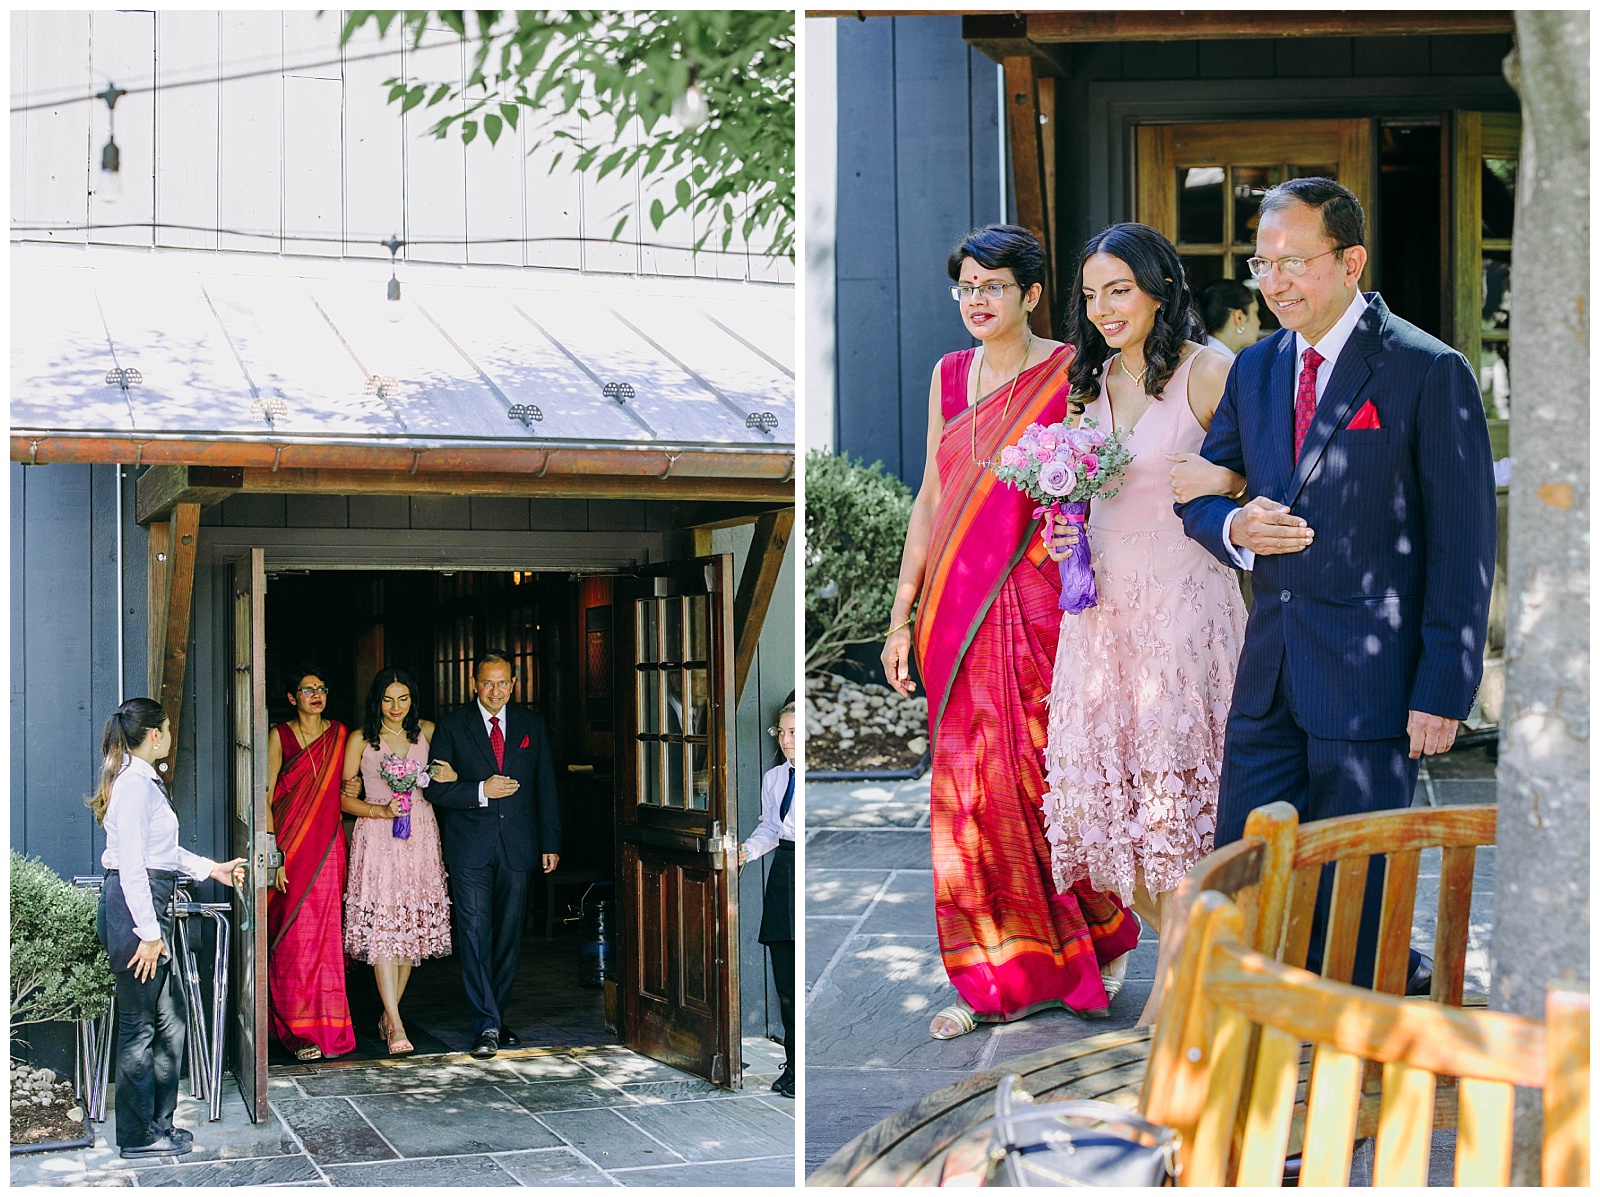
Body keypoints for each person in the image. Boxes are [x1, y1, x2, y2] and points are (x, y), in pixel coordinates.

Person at [1178, 177, 1495, 992]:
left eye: (1293, 262)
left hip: (1373, 684)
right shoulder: (1252, 370)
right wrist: (1235, 529)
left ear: (1351, 261)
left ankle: (1354, 1084)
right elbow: (1203, 496)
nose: (1274, 281)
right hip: (1269, 677)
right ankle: (1251, 1065)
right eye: (1262, 263)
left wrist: (1443, 688)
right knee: (1241, 881)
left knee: (1358, 903)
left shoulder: (1429, 369)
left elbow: (1463, 547)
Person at [881, 224, 1140, 1041]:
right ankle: (988, 972)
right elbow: (932, 493)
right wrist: (901, 612)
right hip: (956, 616)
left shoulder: (1072, 366)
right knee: (968, 795)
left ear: (1031, 293)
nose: (977, 301)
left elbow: (1106, 479)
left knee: (1046, 776)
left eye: (993, 286)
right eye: (965, 287)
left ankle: (1098, 934)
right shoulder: (949, 376)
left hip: (1039, 604)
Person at [1039, 223, 1246, 1027]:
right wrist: (1068, 529)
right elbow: (1087, 494)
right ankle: (1211, 963)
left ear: (1160, 286)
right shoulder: (1087, 385)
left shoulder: (1209, 370)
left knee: (1176, 813)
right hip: (1102, 617)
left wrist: (1225, 473)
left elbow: (1275, 469)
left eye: (1117, 289)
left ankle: (1178, 989)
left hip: (1183, 608)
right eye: (1090, 296)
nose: (1102, 309)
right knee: (1109, 814)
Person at [91, 698, 245, 1159]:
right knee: (139, 1028)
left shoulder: (143, 781)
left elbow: (164, 852)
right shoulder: (135, 785)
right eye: (169, 729)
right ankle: (138, 1138)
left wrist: (210, 869)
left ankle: (159, 1126)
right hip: (134, 910)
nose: (171, 736)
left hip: (145, 905)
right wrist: (150, 933)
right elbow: (135, 866)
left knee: (169, 1022)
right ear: (155, 735)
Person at [425, 651, 561, 1058]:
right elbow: (434, 789)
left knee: (507, 938)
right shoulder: (452, 726)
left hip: (519, 845)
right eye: (488, 682)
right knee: (473, 934)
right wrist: (481, 789)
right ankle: (485, 1024)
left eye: (503, 683)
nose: (496, 690)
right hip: (470, 848)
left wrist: (550, 842)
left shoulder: (531, 725)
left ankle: (495, 1020)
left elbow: (546, 786)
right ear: (474, 683)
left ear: (514, 684)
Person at [342, 667, 455, 1055]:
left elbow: (447, 776)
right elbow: (342, 798)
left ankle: (389, 1014)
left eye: (403, 698)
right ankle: (396, 1022)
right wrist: (381, 812)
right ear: (377, 700)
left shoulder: (428, 731)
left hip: (420, 831)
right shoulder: (361, 739)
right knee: (385, 928)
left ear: (412, 699)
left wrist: (447, 774)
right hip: (377, 835)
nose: (395, 707)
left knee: (409, 927)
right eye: (388, 699)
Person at [264, 667, 356, 1062]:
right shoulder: (279, 736)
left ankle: (328, 1026)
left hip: (329, 846)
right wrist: (275, 855)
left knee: (326, 939)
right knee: (294, 938)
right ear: (291, 698)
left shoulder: (340, 735)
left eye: (321, 688)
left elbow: (348, 785)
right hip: (292, 847)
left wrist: (352, 789)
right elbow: (266, 795)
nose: (316, 695)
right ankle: (294, 1028)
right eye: (307, 690)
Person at [738, 697, 797, 1098]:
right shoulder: (775, 778)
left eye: (795, 732)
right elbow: (769, 829)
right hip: (783, 874)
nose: (788, 740)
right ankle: (793, 1065)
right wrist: (745, 851)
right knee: (785, 978)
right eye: (782, 732)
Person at [1197, 277, 1263, 358]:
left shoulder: (1198, 354)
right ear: (1239, 318)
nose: (1259, 322)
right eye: (1255, 312)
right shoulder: (1226, 364)